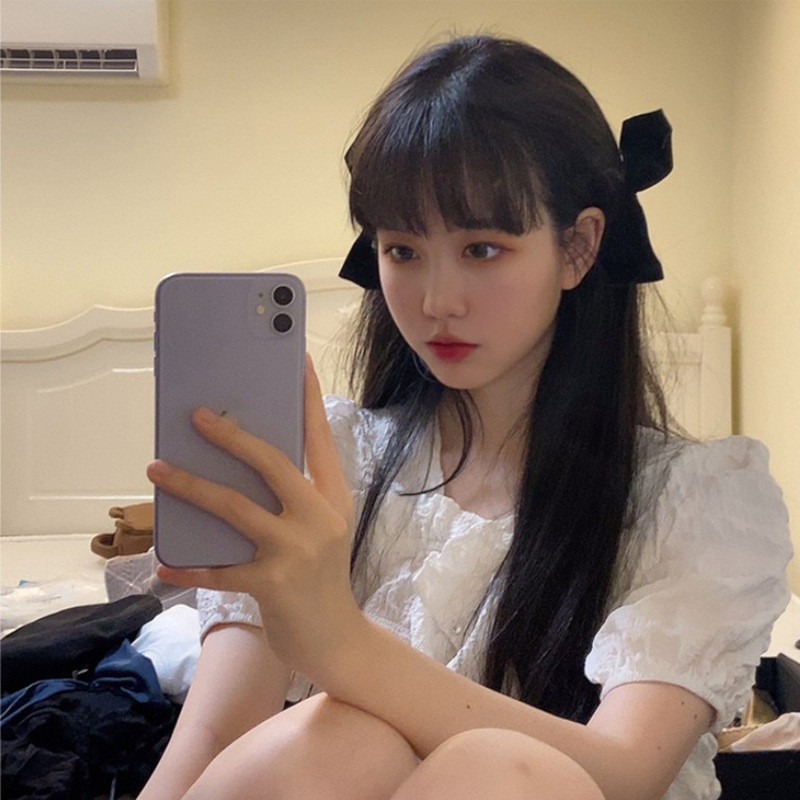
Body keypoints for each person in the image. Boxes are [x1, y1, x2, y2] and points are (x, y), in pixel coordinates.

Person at [139, 35, 792, 800]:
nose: (435, 300)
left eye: (481, 249)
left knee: (495, 769)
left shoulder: (693, 504)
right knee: (343, 739)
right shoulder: (333, 462)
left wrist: (339, 641)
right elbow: (217, 735)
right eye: (403, 250)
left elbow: (623, 776)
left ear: (579, 247)